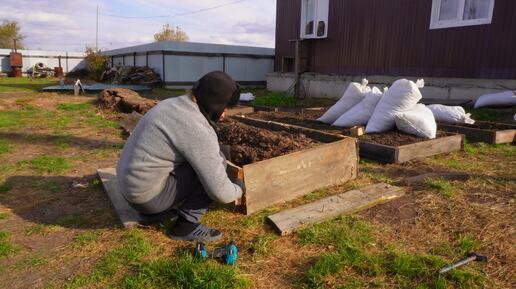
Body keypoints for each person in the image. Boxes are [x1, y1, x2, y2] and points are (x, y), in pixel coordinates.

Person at [116, 71, 244, 242]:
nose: (224, 113)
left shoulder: (174, 104)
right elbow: (220, 193)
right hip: (144, 197)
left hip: (129, 187)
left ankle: (154, 211)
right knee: (210, 170)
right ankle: (185, 226)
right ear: (213, 102)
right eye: (224, 107)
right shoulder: (195, 126)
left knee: (213, 155)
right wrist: (238, 189)